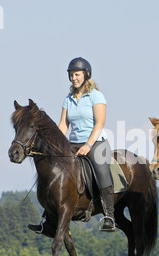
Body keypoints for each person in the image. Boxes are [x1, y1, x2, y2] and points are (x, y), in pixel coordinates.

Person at [29, 57, 115, 233]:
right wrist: (51, 145)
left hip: (96, 142)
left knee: (101, 170)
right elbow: (63, 125)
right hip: (73, 143)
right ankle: (49, 221)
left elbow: (99, 124)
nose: (73, 78)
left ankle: (109, 216)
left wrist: (88, 145)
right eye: (71, 74)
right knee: (55, 173)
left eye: (77, 74)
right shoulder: (68, 99)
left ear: (86, 75)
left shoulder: (96, 96)